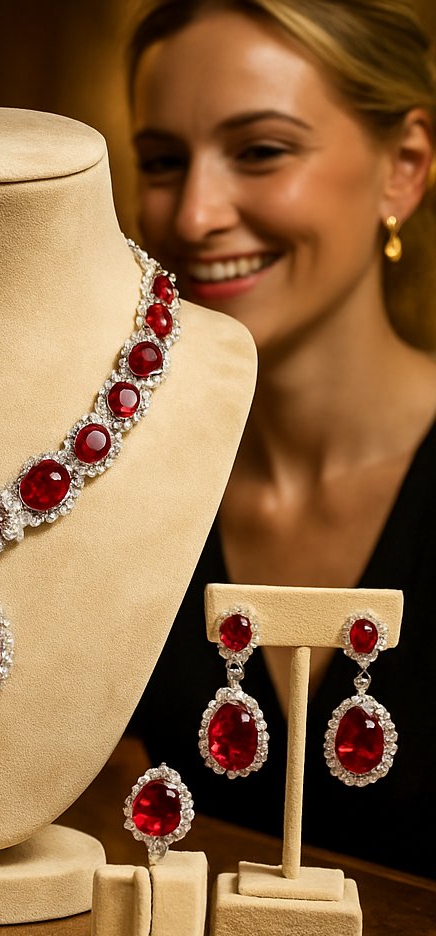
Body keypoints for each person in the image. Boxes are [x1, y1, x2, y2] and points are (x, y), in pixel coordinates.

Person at [126, 0, 436, 877]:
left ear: (402, 169)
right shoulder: (114, 484)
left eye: (260, 150)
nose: (192, 216)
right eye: (161, 161)